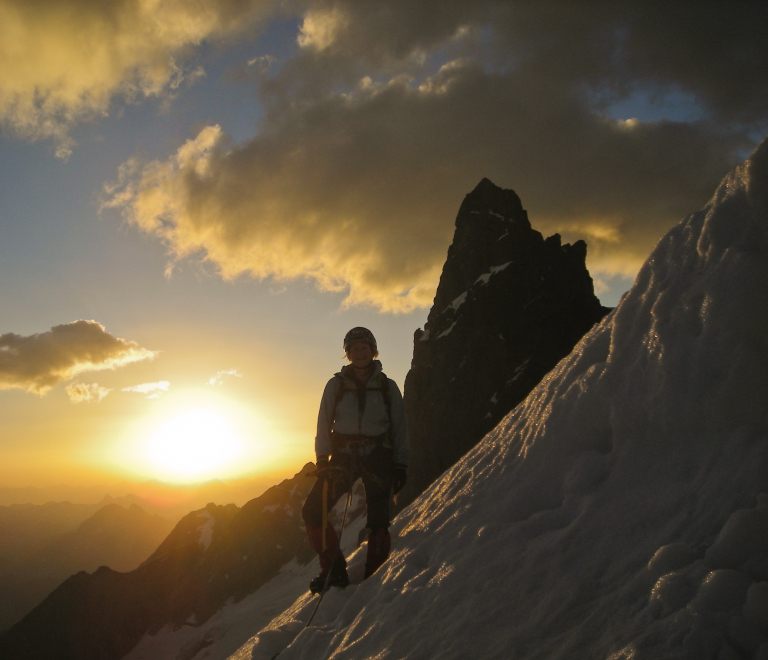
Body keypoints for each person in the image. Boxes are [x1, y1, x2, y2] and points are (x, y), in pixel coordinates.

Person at [301, 327, 409, 593]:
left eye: (364, 348)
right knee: (313, 511)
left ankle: (375, 574)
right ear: (347, 354)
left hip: (378, 455)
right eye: (354, 349)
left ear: (373, 351)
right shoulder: (335, 385)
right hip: (343, 457)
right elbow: (324, 422)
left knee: (379, 518)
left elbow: (400, 426)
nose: (359, 353)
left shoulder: (387, 386)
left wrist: (400, 463)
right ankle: (334, 569)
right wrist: (322, 459)